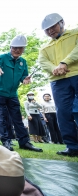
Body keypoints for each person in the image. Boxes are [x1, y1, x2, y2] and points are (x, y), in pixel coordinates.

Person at [0, 34, 42, 152]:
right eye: (15, 48)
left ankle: (24, 142)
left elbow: (24, 77)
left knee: (17, 118)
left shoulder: (23, 62)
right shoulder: (2, 57)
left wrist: (25, 79)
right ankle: (6, 141)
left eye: (20, 48)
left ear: (23, 49)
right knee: (2, 117)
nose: (17, 50)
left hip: (13, 94)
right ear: (10, 47)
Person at [38, 13, 78, 157]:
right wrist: (56, 68)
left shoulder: (75, 34)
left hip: (76, 74)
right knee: (63, 112)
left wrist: (64, 62)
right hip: (58, 80)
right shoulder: (44, 48)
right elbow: (43, 62)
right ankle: (72, 146)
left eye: (52, 27)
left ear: (62, 22)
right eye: (46, 29)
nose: (50, 31)